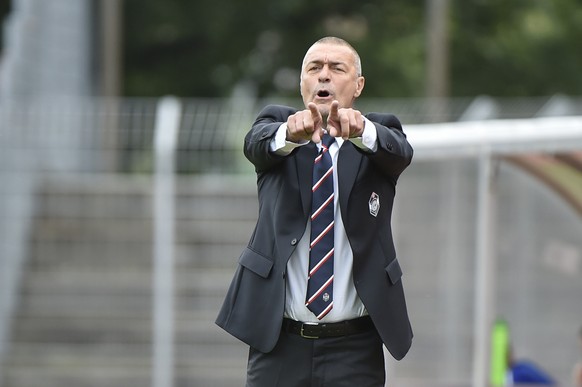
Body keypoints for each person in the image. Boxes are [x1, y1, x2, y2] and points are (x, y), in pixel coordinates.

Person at [216, 36, 414, 387]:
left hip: (355, 346)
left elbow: (399, 151)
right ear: (302, 83)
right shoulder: (277, 126)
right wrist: (288, 134)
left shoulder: (378, 137)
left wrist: (362, 132)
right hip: (279, 344)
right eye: (314, 68)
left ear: (358, 85)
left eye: (337, 68)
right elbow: (256, 144)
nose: (324, 76)